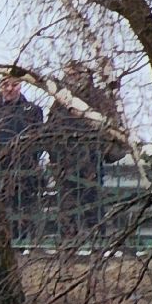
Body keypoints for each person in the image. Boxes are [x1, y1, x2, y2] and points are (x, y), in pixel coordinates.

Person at [42, 61, 121, 238]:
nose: (73, 79)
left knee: (92, 204)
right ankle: (69, 246)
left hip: (91, 163)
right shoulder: (60, 101)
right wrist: (56, 155)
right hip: (66, 164)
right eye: (69, 75)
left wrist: (97, 151)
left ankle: (96, 243)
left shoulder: (99, 99)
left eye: (77, 74)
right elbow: (49, 130)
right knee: (68, 208)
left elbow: (111, 130)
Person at [0, 73, 47, 235]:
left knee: (23, 211)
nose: (9, 89)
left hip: (24, 173)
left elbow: (39, 140)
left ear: (21, 85)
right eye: (5, 84)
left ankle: (24, 246)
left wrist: (28, 160)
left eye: (14, 84)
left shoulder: (32, 111)